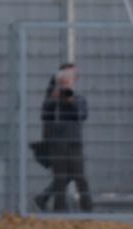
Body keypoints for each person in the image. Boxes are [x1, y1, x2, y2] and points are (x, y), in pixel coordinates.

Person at [35, 63, 92, 212]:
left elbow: (82, 114)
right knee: (60, 177)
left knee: (79, 176)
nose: (69, 79)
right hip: (57, 142)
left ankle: (88, 211)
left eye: (71, 77)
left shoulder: (77, 97)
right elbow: (45, 115)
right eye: (66, 76)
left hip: (73, 141)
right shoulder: (52, 98)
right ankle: (59, 211)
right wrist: (54, 98)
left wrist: (69, 98)